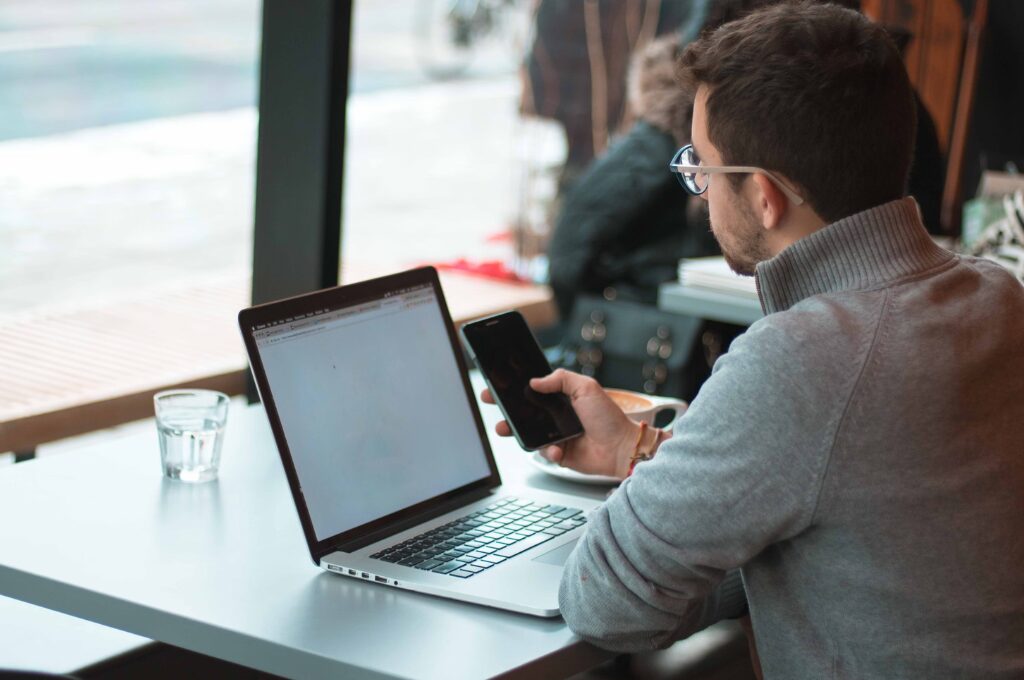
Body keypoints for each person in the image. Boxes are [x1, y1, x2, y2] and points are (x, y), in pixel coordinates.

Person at [483, 3, 1024, 677]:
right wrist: (640, 452)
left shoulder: (802, 359)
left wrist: (659, 509)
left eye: (703, 166)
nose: (700, 187)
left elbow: (605, 603)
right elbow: (842, 516)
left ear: (765, 198)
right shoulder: (997, 297)